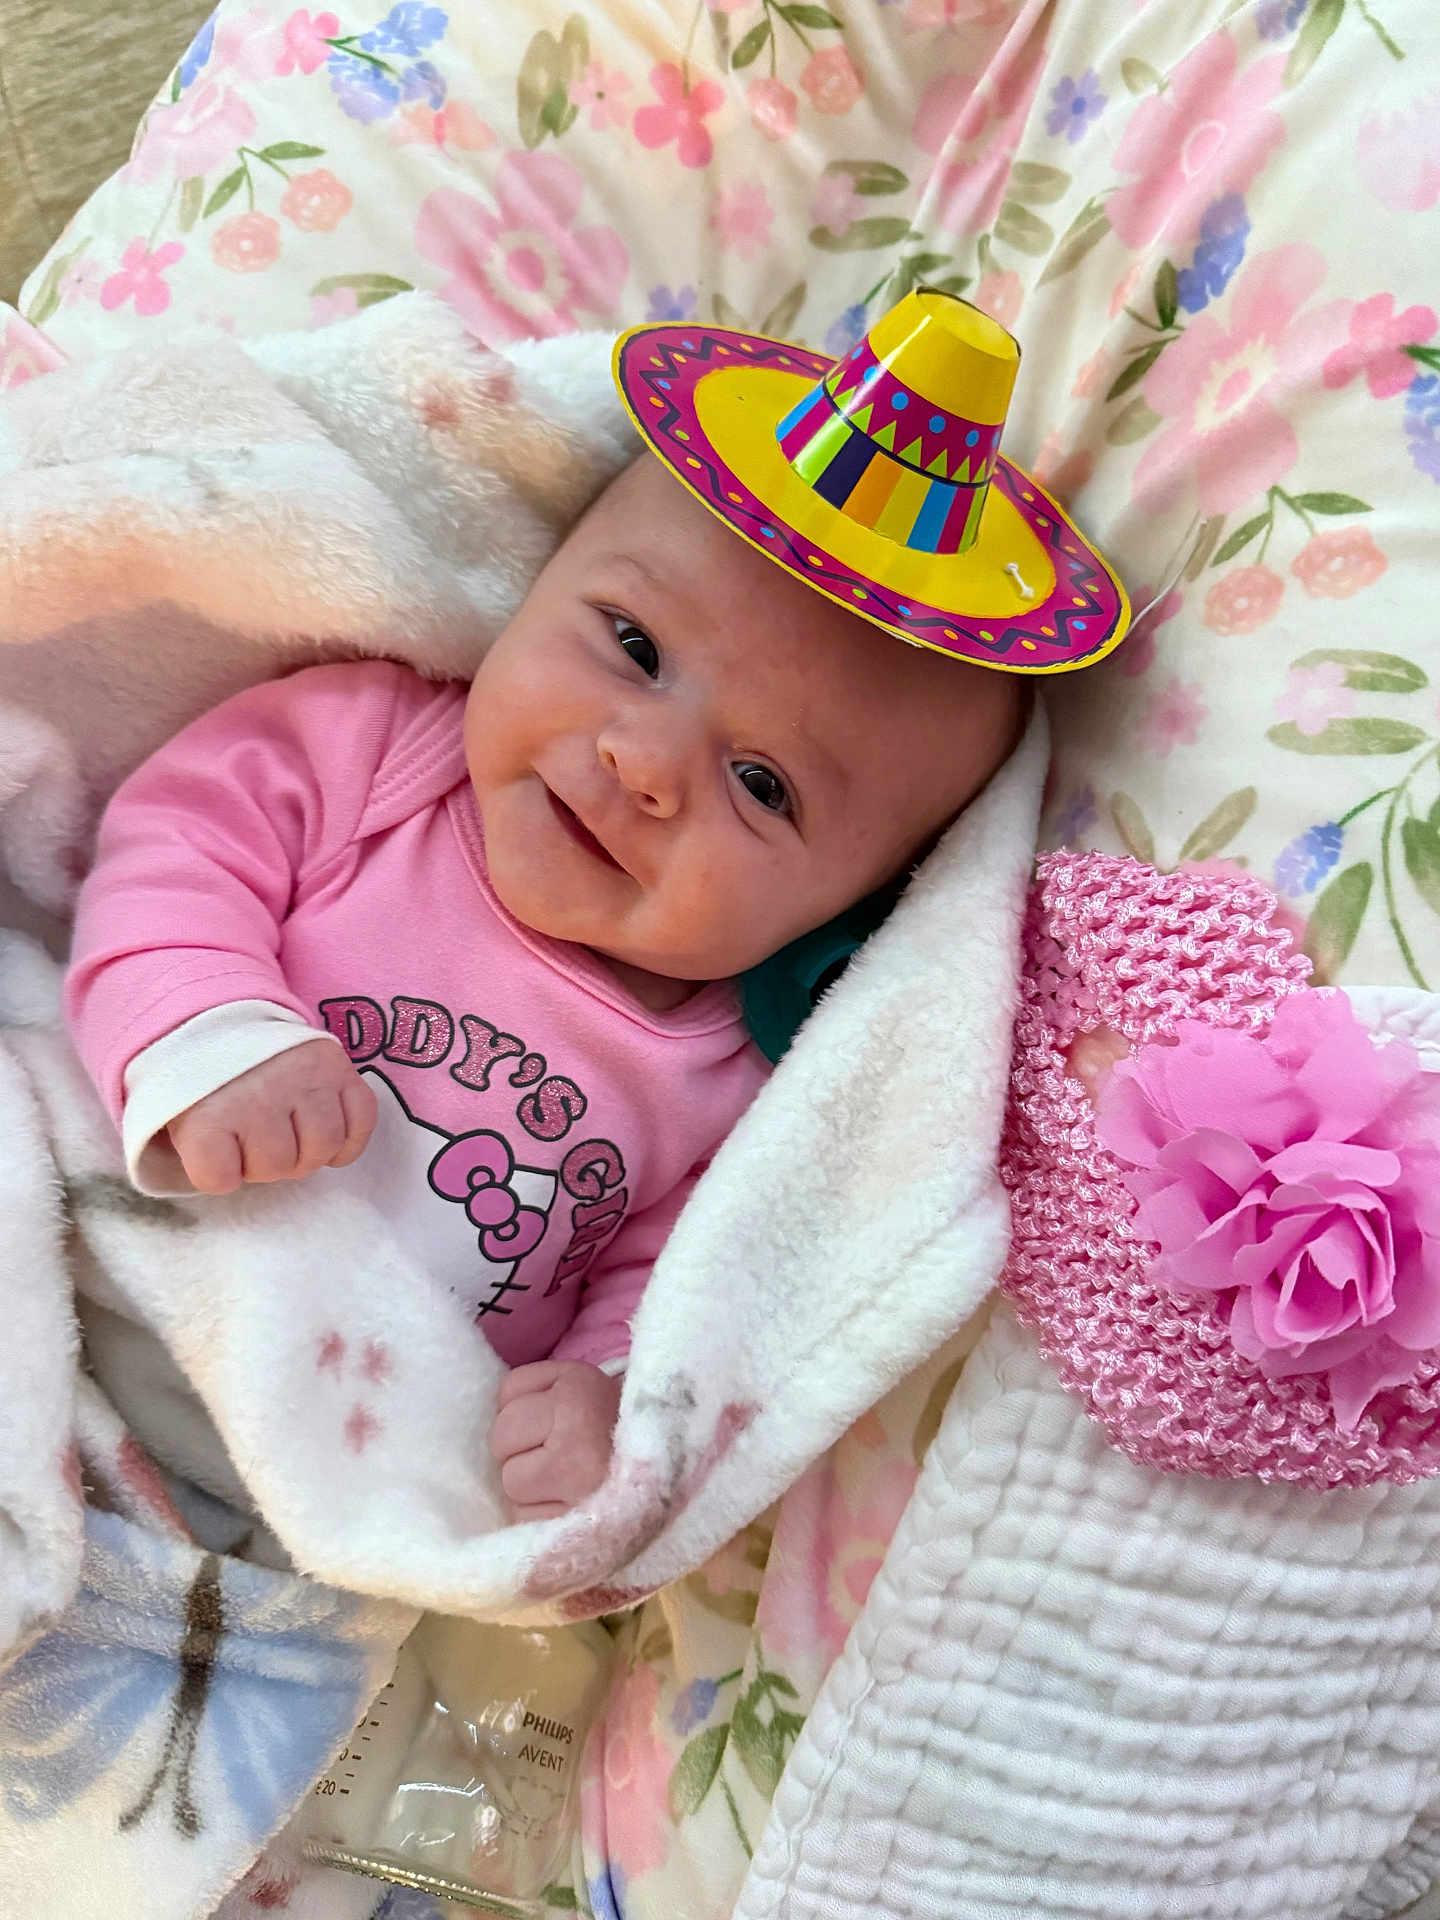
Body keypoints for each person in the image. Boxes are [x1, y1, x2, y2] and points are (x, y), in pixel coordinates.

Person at [62, 289, 1129, 1523]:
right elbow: (174, 845)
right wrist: (204, 1029)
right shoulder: (376, 749)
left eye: (763, 785)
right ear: (535, 583)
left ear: (857, 901)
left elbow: (679, 1286)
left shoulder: (732, 1085)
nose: (643, 760)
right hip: (107, 1276)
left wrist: (606, 1397)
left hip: (322, 1484)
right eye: (632, 644)